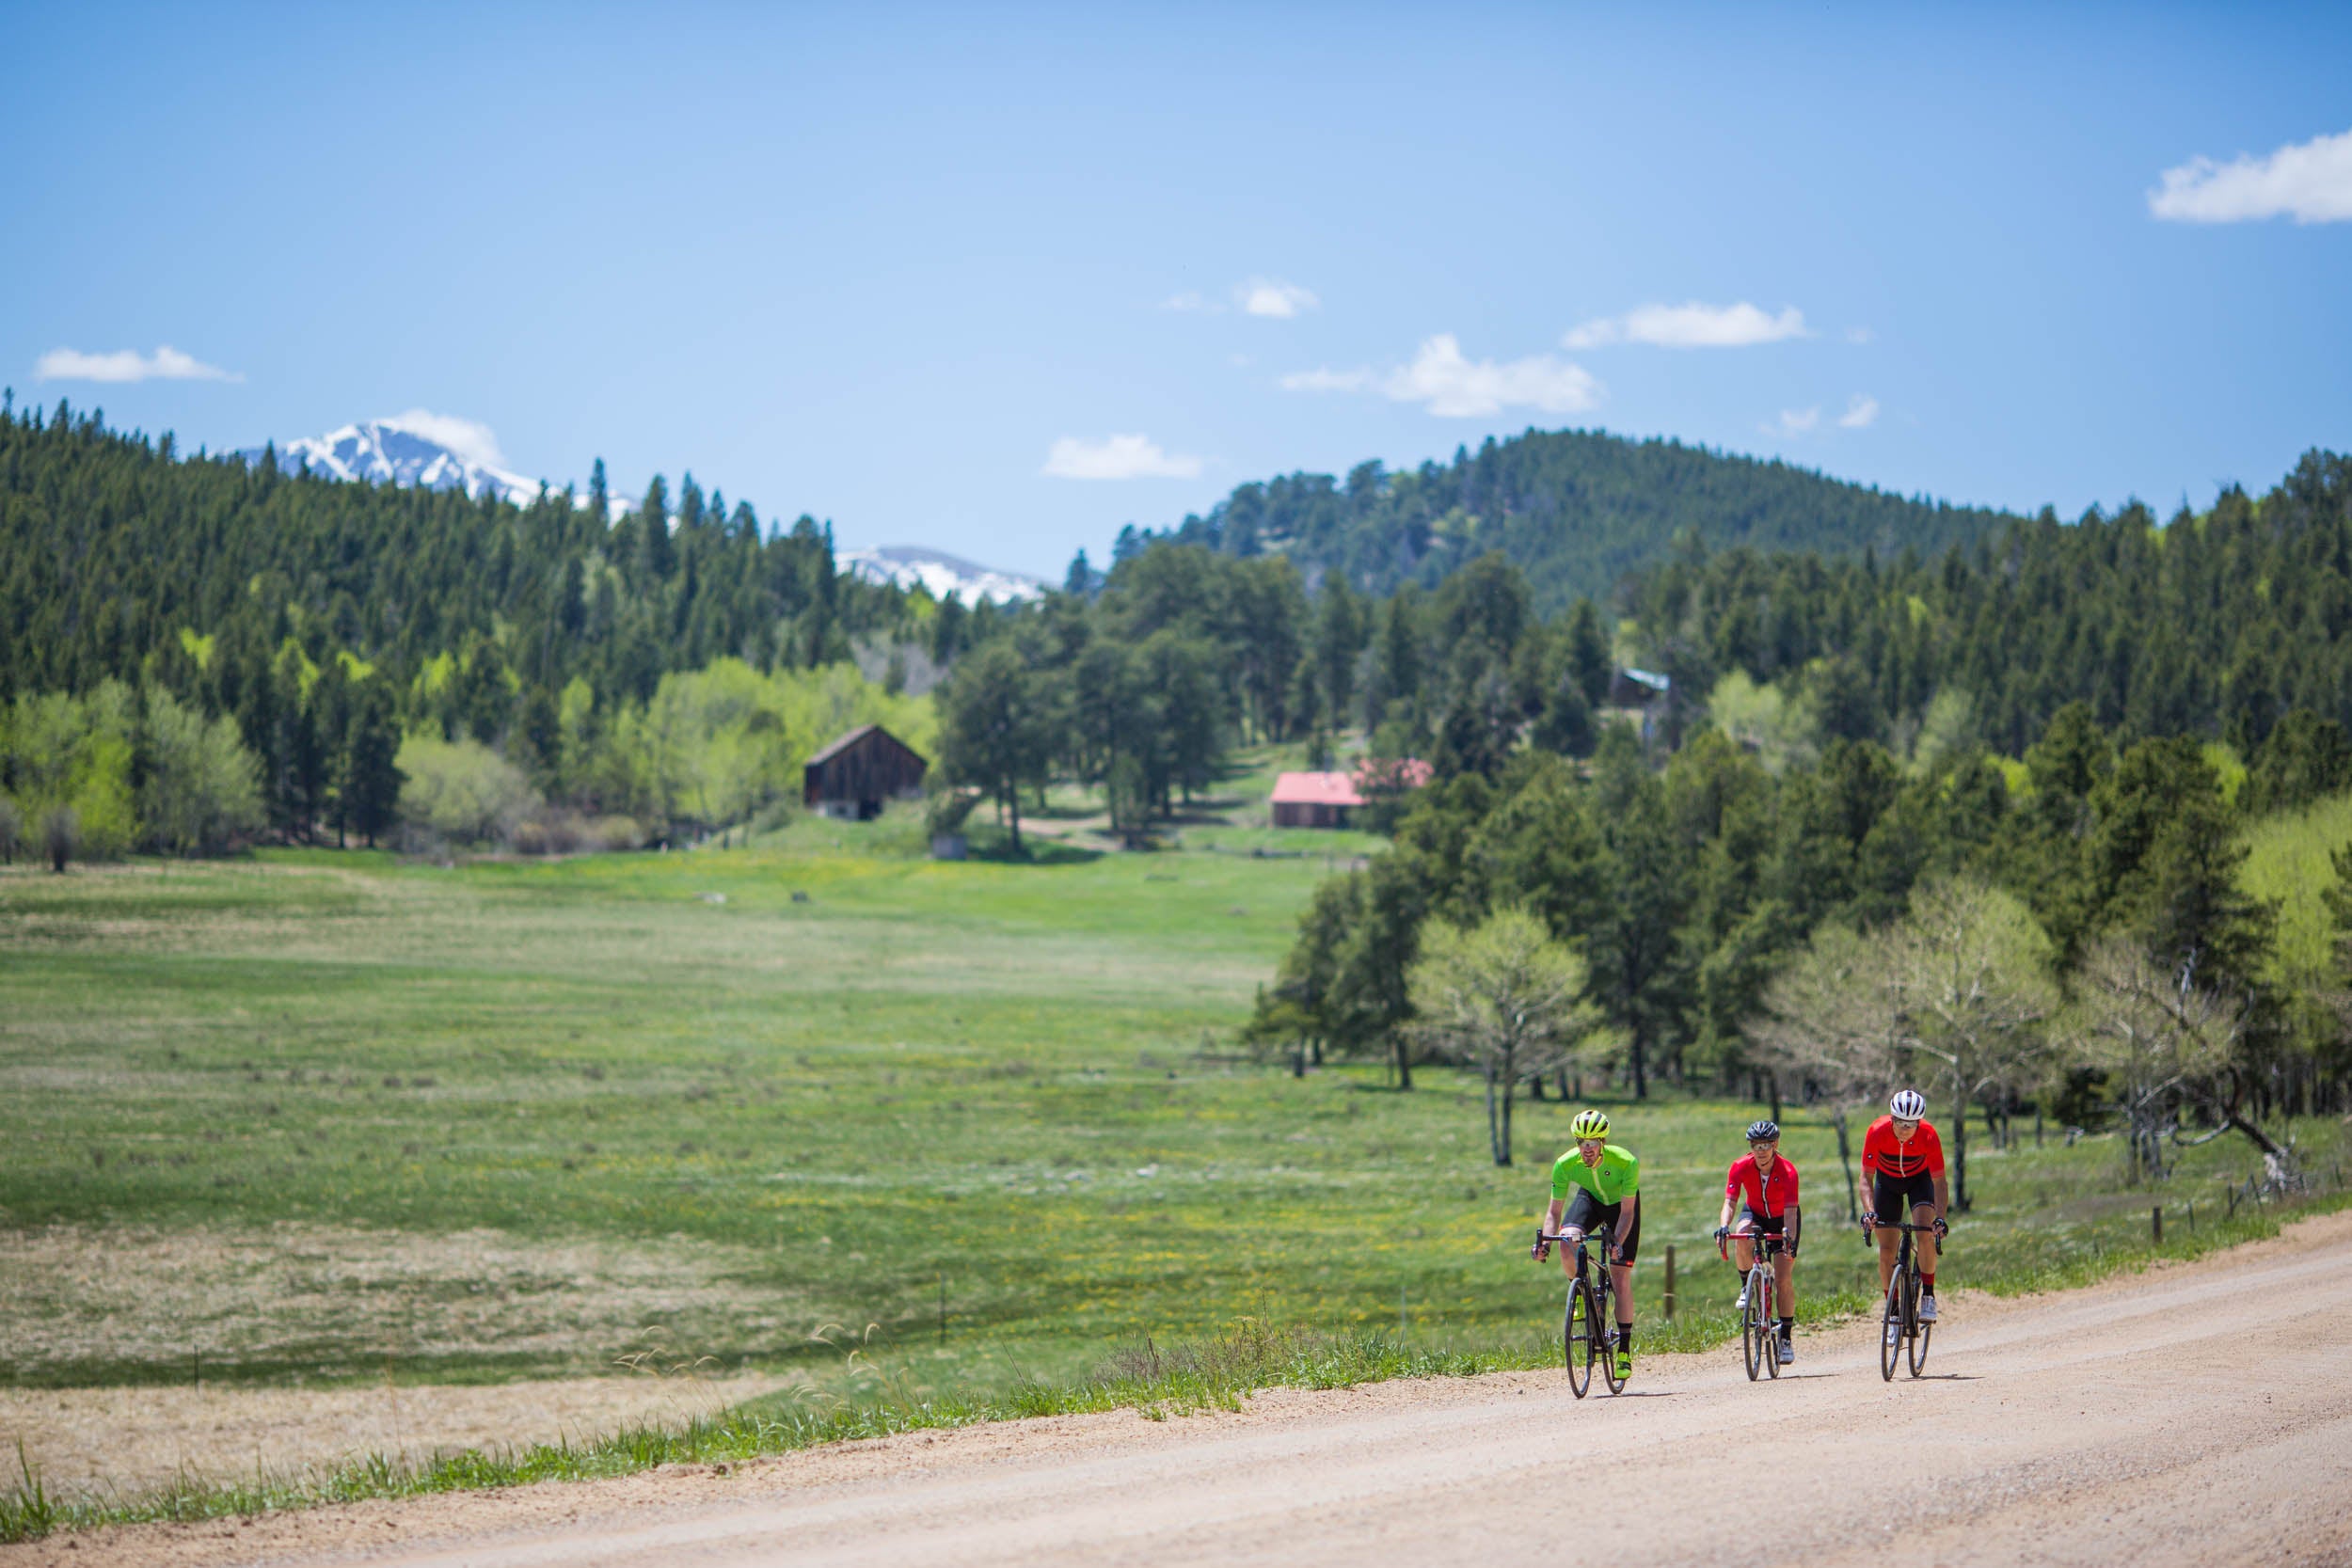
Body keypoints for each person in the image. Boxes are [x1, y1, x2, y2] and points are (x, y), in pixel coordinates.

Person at [1532, 1107, 1640, 1381]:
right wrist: (1545, 1242)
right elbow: (1553, 1213)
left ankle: (1624, 1351)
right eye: (1581, 1142)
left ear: (1602, 1142)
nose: (1586, 1149)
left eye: (1592, 1143)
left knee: (1619, 1275)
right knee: (1566, 1240)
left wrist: (1617, 1241)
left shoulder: (1626, 1162)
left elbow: (1628, 1213)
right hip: (1590, 1200)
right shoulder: (1565, 1164)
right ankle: (1579, 1289)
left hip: (1620, 1209)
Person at [1858, 1088, 1950, 1340]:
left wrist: (1940, 1217)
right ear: (1892, 1118)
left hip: (1918, 1182)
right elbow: (1866, 1177)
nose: (1904, 1129)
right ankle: (1894, 1313)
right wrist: (1869, 1213)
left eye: (1911, 1124)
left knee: (1925, 1234)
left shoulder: (1929, 1135)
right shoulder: (1876, 1131)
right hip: (1887, 1184)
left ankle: (1929, 1295)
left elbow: (1940, 1182)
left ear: (1919, 1122)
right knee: (1886, 1250)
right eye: (1899, 1122)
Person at [1713, 1118, 1801, 1364]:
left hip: (1783, 1217)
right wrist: (1723, 1226)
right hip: (1755, 1213)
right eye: (1756, 1146)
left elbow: (1792, 1211)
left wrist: (1789, 1239)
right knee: (1742, 1235)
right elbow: (1730, 1201)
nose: (1760, 1152)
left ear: (1775, 1145)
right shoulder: (1740, 1166)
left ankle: (1785, 1337)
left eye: (1765, 1146)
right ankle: (1745, 1285)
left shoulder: (1788, 1171)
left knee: (1783, 1278)